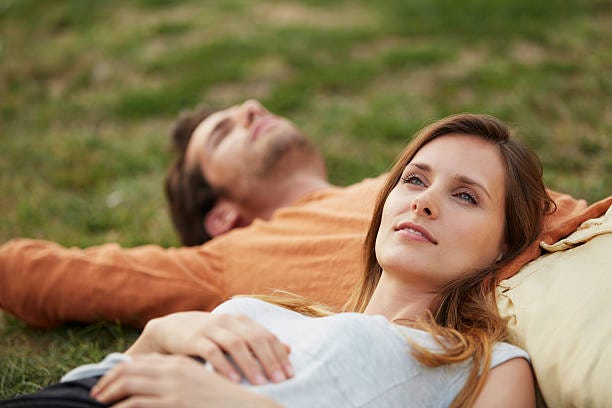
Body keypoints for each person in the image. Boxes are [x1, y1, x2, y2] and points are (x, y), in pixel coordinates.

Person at [1, 113, 543, 407]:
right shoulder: (252, 284)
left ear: (505, 243)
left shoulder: (485, 364)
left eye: (465, 195)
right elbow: (74, 295)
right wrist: (164, 333)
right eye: (414, 179)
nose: (424, 200)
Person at [0, 101, 602, 329]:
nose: (251, 107)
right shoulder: (221, 262)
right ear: (220, 215)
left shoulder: (408, 182)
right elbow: (51, 275)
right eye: (222, 132)